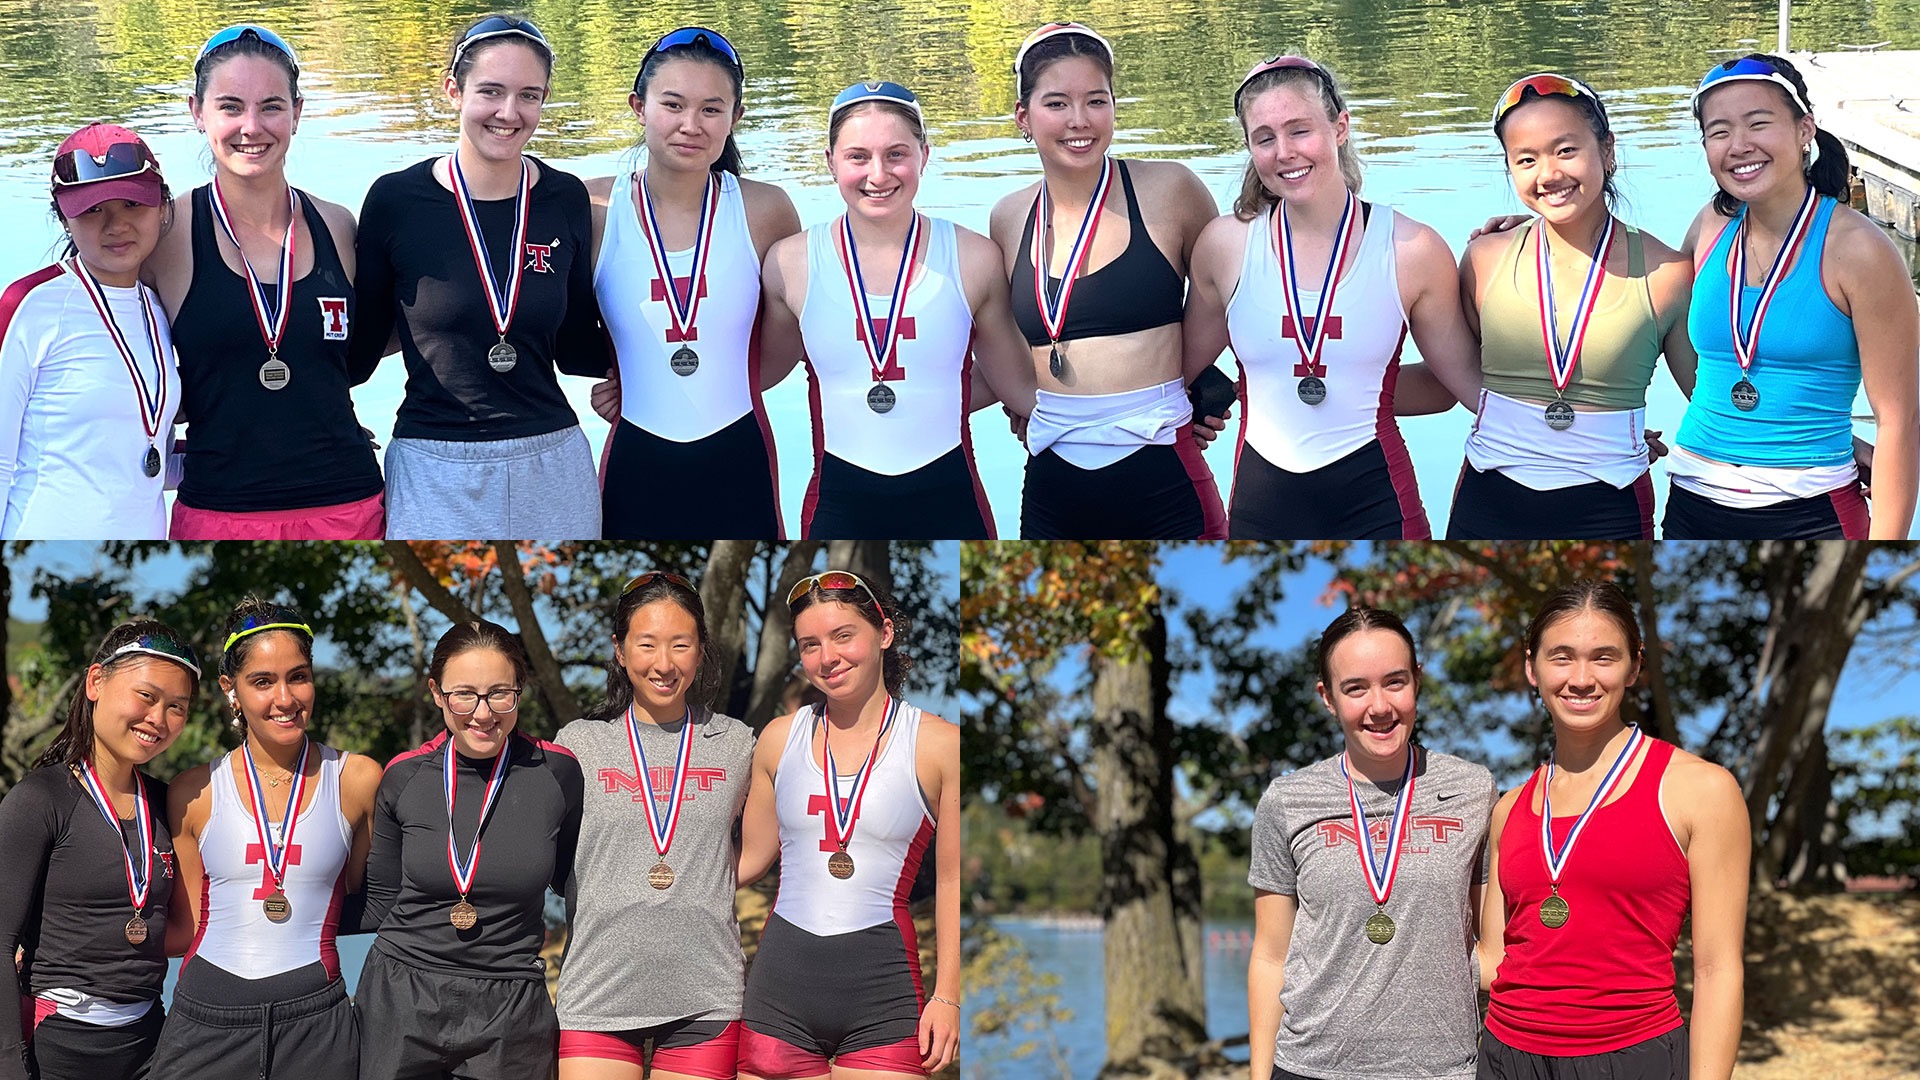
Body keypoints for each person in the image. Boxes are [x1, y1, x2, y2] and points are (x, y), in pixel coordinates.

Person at [1184, 55, 1480, 540]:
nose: (1284, 152)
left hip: (1379, 504)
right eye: (1264, 138)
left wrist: (1597, 427)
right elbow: (1173, 372)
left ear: (1340, 127)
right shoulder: (1224, 246)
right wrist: (1038, 409)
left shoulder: (1411, 249)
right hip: (1260, 505)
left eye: (1300, 130)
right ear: (1249, 147)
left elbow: (1463, 386)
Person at [351, 15, 609, 538]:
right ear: (453, 90)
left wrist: (645, 375)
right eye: (490, 91)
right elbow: (360, 350)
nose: (509, 113)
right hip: (432, 462)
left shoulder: (565, 198)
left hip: (553, 458)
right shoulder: (397, 200)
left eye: (529, 95)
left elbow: (577, 343)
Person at [1478, 581, 1748, 1079]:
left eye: (1604, 657)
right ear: (1530, 668)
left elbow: (1717, 971)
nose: (1581, 678)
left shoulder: (1701, 791)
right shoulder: (1508, 809)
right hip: (1503, 1057)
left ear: (1635, 666)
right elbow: (1494, 963)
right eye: (1561, 657)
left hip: (1632, 1057)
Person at [757, 81, 1035, 539]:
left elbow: (1019, 385)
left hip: (952, 498)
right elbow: (753, 378)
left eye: (896, 154)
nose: (879, 174)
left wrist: (1150, 402)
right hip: (837, 503)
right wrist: (628, 383)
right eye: (858, 156)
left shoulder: (973, 258)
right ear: (831, 161)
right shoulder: (791, 264)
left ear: (924, 155)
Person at [144, 24, 385, 540]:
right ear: (197, 112)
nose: (251, 126)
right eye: (230, 106)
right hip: (218, 510)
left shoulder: (338, 225)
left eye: (271, 106)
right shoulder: (163, 236)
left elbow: (395, 332)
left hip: (348, 505)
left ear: (297, 113)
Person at [1666, 54, 1917, 540]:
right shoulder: (1710, 226)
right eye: (1719, 132)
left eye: (1758, 123)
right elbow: (1642, 298)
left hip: (1811, 510)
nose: (1739, 146)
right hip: (1692, 498)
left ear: (1805, 130)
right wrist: (1527, 233)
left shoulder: (1859, 250)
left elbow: (1901, 418)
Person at [990, 23, 1225, 539]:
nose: (1080, 121)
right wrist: (1018, 403)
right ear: (1023, 117)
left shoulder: (1171, 189)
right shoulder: (1008, 218)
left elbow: (1234, 298)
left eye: (1096, 100)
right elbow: (1003, 342)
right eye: (1057, 103)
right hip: (1053, 476)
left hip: (1165, 467)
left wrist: (1208, 387)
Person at [1247, 608, 1494, 1080]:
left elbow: (1489, 944)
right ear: (1328, 697)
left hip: (1444, 1070)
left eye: (1395, 682)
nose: (1379, 707)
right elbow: (1270, 955)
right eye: (1356, 688)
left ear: (1418, 681)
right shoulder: (1287, 800)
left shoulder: (1473, 790)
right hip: (1310, 1068)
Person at [1451, 73, 1696, 541]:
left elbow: (1712, 399)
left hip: (1611, 502)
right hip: (1488, 497)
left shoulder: (1667, 274)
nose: (1549, 175)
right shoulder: (1484, 259)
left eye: (1566, 151)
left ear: (1607, 151)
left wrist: (1838, 443)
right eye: (1526, 159)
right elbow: (1454, 375)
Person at [737, 571, 959, 1078]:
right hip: (778, 994)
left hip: (885, 997)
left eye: (842, 636)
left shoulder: (940, 745)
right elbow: (747, 859)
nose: (826, 658)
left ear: (883, 633)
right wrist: (656, 864)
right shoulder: (777, 738)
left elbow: (953, 880)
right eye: (809, 644)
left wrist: (949, 995)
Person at [149, 600, 381, 1080]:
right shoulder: (193, 791)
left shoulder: (357, 779)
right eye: (262, 681)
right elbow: (188, 922)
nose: (285, 698)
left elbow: (362, 894)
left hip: (317, 1024)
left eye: (298, 676)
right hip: (206, 1020)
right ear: (230, 690)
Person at [588, 28, 802, 539]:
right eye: (673, 104)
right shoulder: (593, 208)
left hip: (740, 452)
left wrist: (729, 383)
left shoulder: (765, 209)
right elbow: (541, 317)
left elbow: (788, 338)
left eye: (711, 109)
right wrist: (627, 376)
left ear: (735, 117)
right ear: (639, 107)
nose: (691, 125)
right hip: (635, 456)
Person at [355, 620, 583, 1079]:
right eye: (463, 694)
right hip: (402, 996)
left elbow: (577, 891)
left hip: (510, 1005)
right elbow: (380, 902)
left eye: (500, 693)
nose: (483, 713)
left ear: (521, 689)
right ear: (436, 693)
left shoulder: (557, 773)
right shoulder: (404, 776)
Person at [553, 570, 757, 1079]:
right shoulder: (579, 743)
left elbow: (771, 841)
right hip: (597, 990)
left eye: (680, 645)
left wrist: (712, 877)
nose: (663, 664)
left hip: (706, 992)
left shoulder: (737, 744)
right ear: (620, 651)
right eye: (646, 644)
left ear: (702, 650)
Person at [0, 620, 199, 1080]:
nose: (159, 719)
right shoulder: (40, 799)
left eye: (177, 707)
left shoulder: (169, 803)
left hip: (149, 1043)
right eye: (146, 697)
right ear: (95, 682)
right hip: (57, 1046)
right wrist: (9, 1063)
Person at [1, 123, 179, 539]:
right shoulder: (29, 305)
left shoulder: (159, 309)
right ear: (64, 217)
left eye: (133, 204)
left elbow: (145, 458)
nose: (116, 226)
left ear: (162, 207)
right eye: (92, 209)